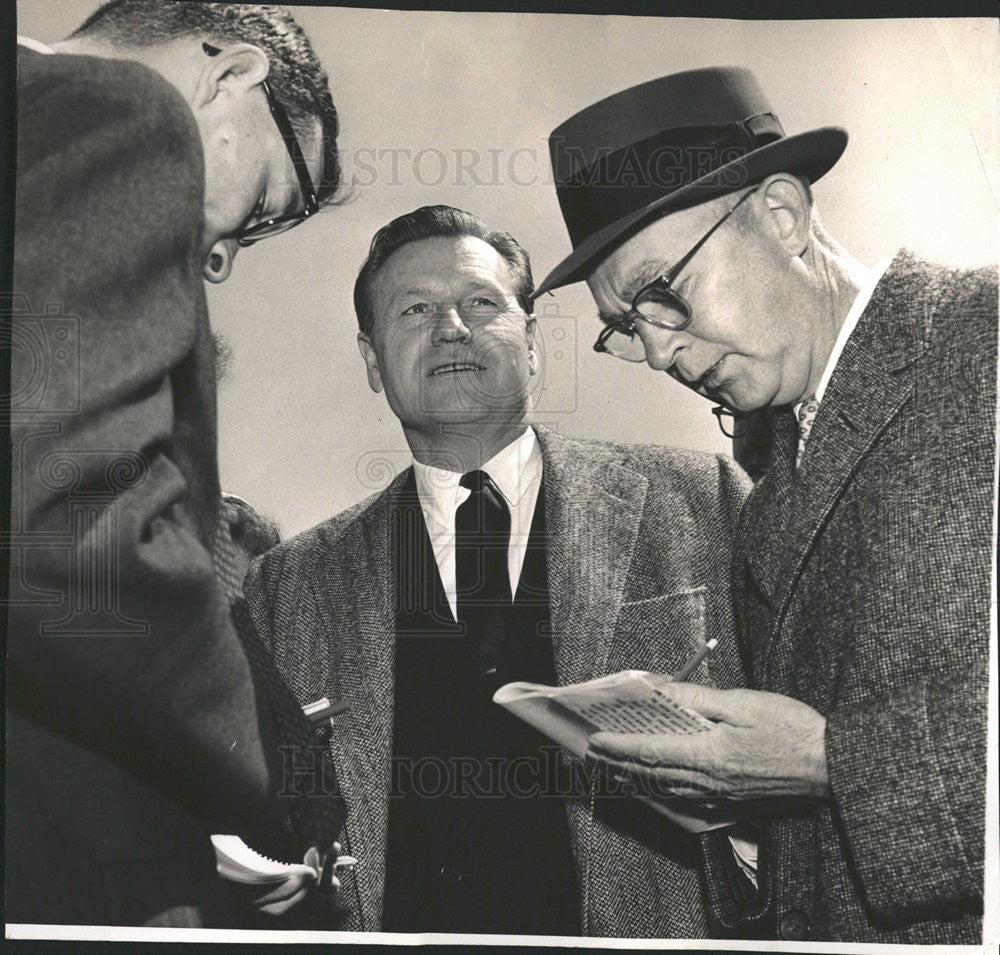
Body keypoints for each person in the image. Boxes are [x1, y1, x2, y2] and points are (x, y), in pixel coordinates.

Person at [533, 67, 995, 943]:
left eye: (660, 291)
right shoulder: (766, 493)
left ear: (782, 216)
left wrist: (827, 762)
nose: (661, 349)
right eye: (629, 325)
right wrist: (725, 799)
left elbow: (838, 755)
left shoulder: (985, 344)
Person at [244, 205, 752, 936]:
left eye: (481, 302)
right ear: (370, 359)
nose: (450, 327)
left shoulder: (706, 502)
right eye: (414, 309)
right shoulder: (284, 586)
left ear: (535, 343)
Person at [9, 0, 345, 927]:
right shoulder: (117, 109)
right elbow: (67, 516)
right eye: (267, 206)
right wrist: (252, 784)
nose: (226, 256)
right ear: (229, 73)